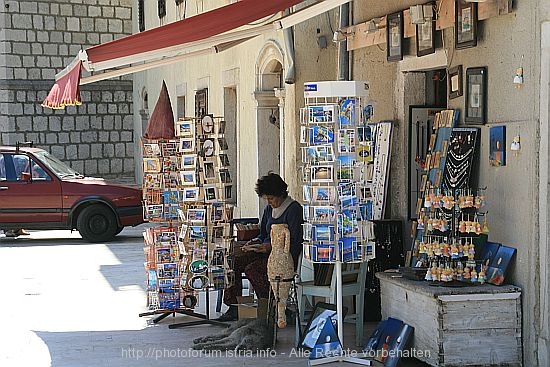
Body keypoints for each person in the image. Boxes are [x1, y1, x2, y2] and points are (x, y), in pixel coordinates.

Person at [217, 172, 304, 321]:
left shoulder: (294, 209)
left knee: (253, 269)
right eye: (266, 199)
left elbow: (295, 241)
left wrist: (270, 247)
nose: (269, 202)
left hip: (283, 259)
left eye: (271, 198)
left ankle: (272, 306)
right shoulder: (269, 210)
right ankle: (234, 307)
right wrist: (254, 243)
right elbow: (263, 234)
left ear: (280, 194)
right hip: (265, 252)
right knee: (233, 262)